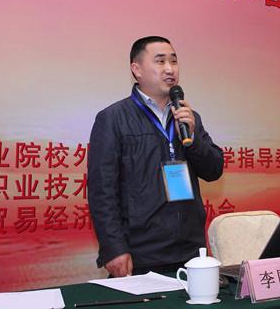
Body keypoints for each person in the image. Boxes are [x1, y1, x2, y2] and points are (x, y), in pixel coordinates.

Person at [88, 36, 224, 277]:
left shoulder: (188, 117)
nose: (170, 69)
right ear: (137, 69)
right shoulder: (113, 119)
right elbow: (102, 191)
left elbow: (214, 170)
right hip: (140, 254)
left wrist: (193, 138)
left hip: (190, 251)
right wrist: (113, 247)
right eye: (160, 61)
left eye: (174, 61)